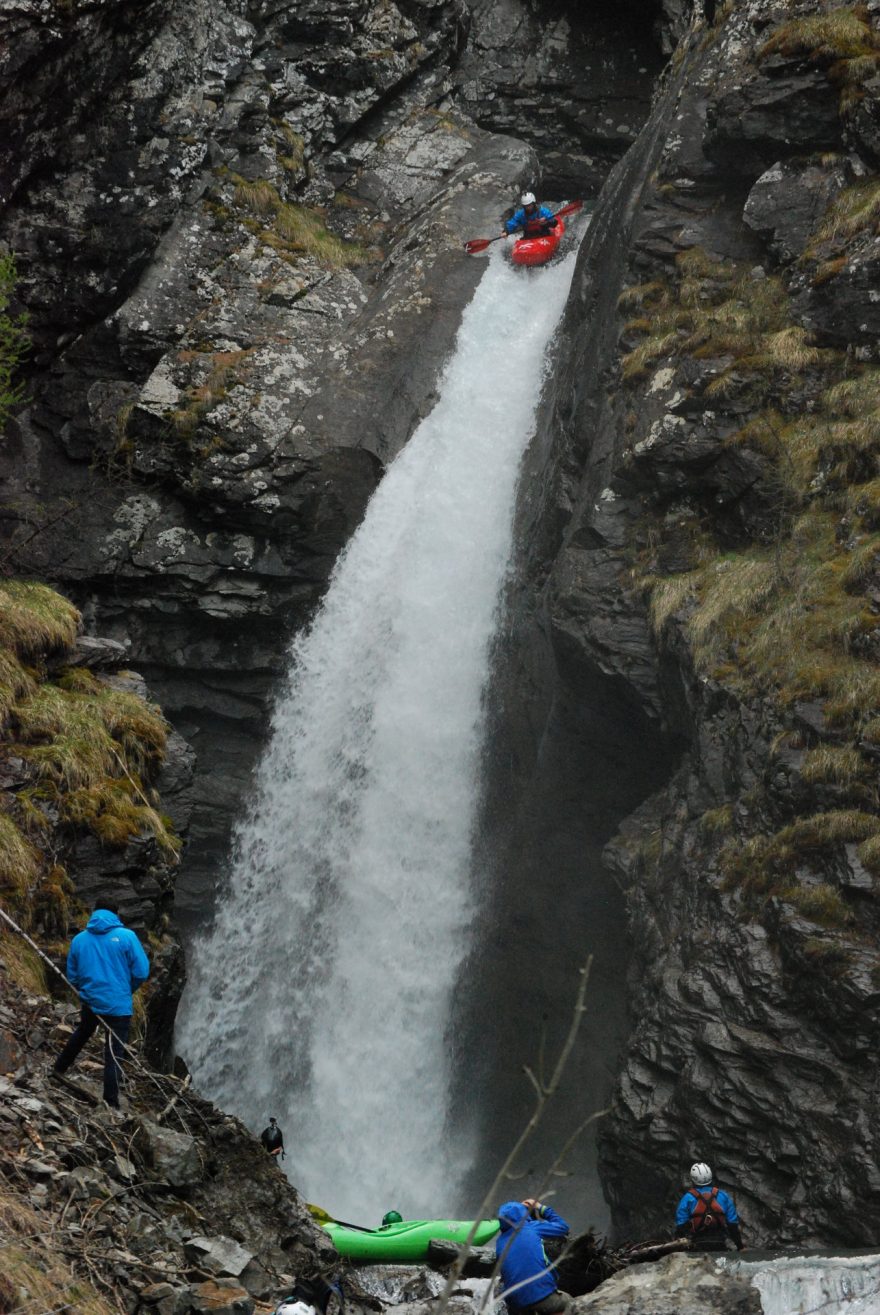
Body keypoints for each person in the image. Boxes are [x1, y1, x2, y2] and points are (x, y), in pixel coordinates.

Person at [53, 899, 149, 1109]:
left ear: (94, 912)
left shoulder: (79, 939)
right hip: (119, 1005)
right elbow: (142, 972)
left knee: (82, 1033)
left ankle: (59, 1068)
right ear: (117, 914)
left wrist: (87, 992)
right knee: (114, 1053)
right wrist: (127, 990)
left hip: (91, 1002)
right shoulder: (127, 937)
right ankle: (111, 1103)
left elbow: (73, 975)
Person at [495, 1198, 570, 1315]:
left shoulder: (499, 1242)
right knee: (571, 1303)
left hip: (514, 1304)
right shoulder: (531, 1227)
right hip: (540, 1296)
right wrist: (540, 1207)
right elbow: (563, 1227)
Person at [675, 1162, 745, 1251]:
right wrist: (740, 1247)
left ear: (693, 1179)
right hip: (720, 1244)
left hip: (697, 1244)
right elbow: (732, 1225)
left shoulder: (687, 1198)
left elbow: (681, 1226)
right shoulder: (723, 1196)